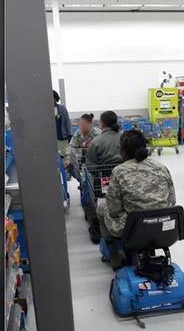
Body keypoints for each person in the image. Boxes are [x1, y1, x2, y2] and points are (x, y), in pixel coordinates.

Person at [96, 130, 177, 268]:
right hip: (163, 227)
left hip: (132, 228)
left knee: (101, 206)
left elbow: (114, 210)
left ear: (123, 151)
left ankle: (114, 256)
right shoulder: (161, 168)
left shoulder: (119, 171)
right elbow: (172, 201)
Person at [67, 113, 100, 180]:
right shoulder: (78, 133)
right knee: (69, 166)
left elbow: (102, 149)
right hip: (82, 160)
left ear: (90, 124)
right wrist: (82, 151)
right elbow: (71, 147)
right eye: (80, 125)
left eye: (84, 124)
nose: (81, 127)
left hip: (95, 162)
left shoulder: (98, 133)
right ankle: (82, 183)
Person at [53, 90, 72, 160]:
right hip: (51, 138)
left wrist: (69, 134)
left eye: (53, 98)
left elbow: (67, 121)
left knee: (64, 156)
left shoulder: (62, 109)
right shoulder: (45, 110)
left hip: (62, 137)